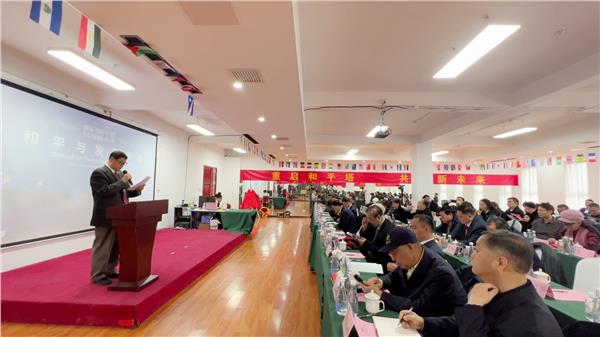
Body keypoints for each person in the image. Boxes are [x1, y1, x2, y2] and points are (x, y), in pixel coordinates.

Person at [399, 230, 564, 337]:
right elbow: (464, 325)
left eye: (477, 251)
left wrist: (473, 307)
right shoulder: (497, 290)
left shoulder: (528, 323)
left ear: (500, 263)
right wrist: (423, 322)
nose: (472, 256)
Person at [361, 227, 467, 315]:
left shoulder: (441, 273)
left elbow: (416, 307)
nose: (393, 259)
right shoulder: (411, 259)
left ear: (409, 247)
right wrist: (380, 282)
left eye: (394, 254)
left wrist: (380, 294)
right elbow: (395, 276)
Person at [89, 151, 144, 285]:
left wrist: (137, 190)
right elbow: (104, 192)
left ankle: (109, 269)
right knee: (102, 246)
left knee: (115, 246)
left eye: (124, 163)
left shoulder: (119, 174)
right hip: (105, 217)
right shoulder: (99, 173)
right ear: (111, 159)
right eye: (120, 162)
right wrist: (122, 181)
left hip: (120, 217)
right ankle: (97, 275)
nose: (122, 165)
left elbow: (123, 194)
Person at [357, 204, 395, 269]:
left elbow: (383, 251)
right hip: (370, 257)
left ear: (378, 217)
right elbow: (366, 237)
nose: (368, 220)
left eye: (370, 219)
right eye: (367, 218)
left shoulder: (389, 229)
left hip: (380, 264)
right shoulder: (374, 223)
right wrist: (364, 227)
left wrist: (366, 243)